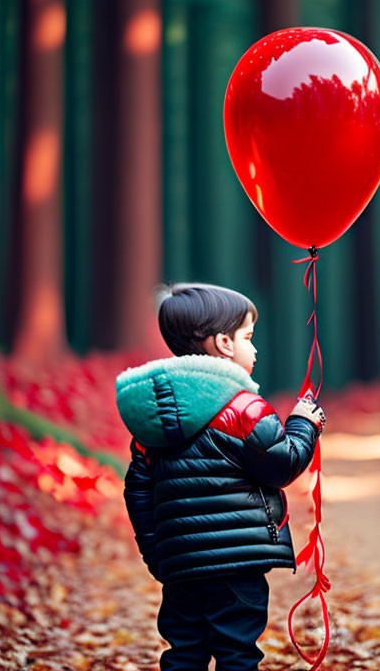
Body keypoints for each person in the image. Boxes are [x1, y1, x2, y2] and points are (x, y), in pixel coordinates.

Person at [116, 283, 325, 671]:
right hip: (238, 564)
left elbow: (137, 491)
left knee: (184, 652)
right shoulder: (242, 408)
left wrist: (156, 553)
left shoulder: (153, 421)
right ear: (224, 343)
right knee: (237, 653)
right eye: (248, 337)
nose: (255, 349)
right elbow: (281, 465)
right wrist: (303, 424)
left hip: (179, 565)